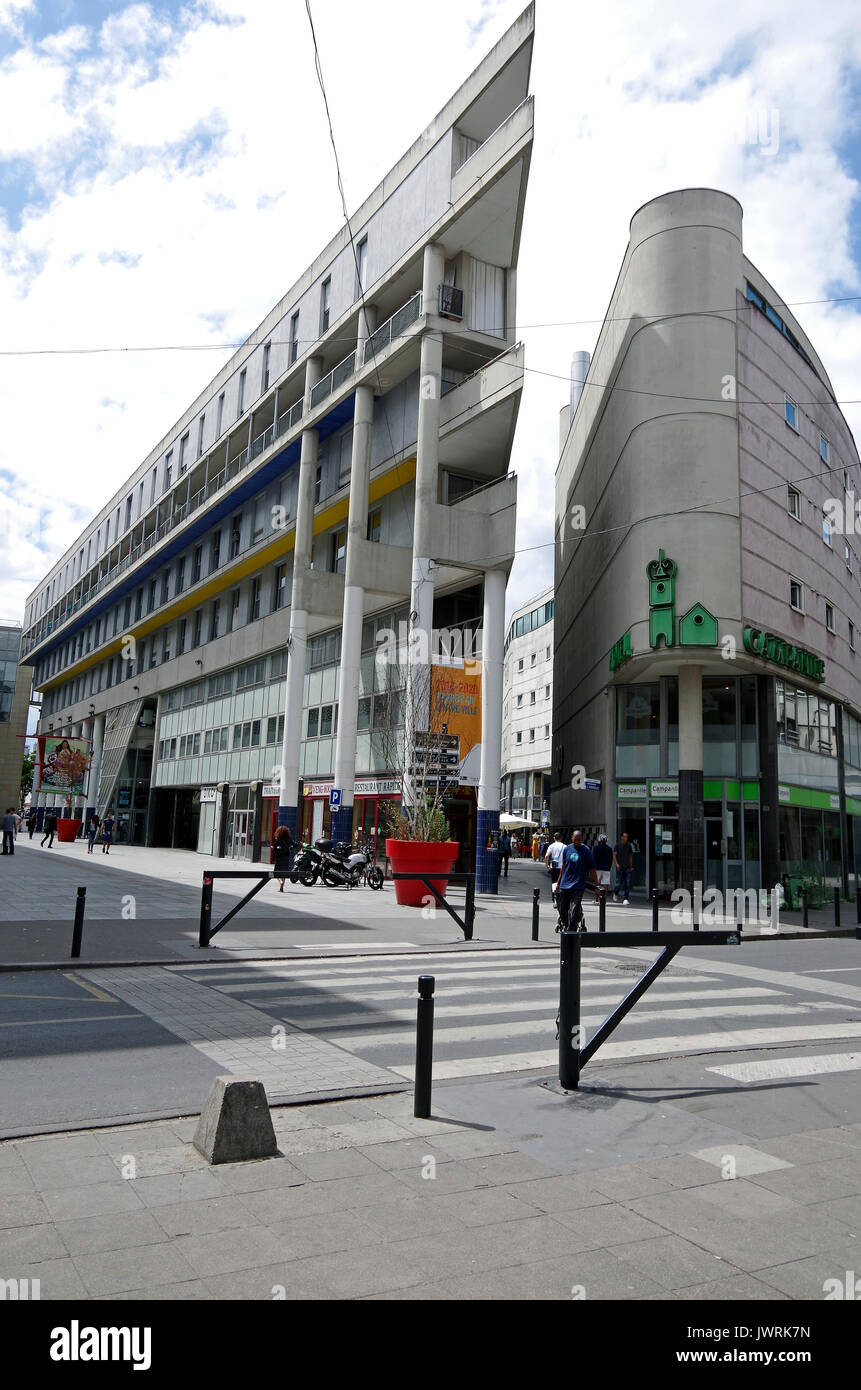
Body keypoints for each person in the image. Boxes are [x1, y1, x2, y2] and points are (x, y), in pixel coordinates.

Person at [556, 829, 599, 933]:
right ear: (572, 838)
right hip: (565, 883)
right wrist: (558, 882)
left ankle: (573, 929)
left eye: (579, 840)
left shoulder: (586, 851)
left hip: (578, 884)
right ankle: (566, 925)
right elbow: (563, 866)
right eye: (575, 840)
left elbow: (592, 869)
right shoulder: (567, 849)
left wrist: (596, 885)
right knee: (562, 907)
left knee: (575, 908)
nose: (577, 842)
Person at [544, 830, 565, 905]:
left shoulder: (551, 846)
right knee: (561, 883)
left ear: (554, 838)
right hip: (562, 868)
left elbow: (547, 856)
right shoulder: (565, 846)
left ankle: (555, 899)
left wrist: (547, 865)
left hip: (554, 867)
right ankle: (561, 899)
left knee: (554, 883)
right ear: (561, 838)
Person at [614, 830, 634, 904]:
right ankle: (616, 893)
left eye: (627, 837)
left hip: (627, 867)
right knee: (618, 883)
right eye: (625, 836)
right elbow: (614, 855)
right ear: (621, 837)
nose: (626, 838)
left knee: (627, 883)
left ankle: (626, 898)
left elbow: (630, 856)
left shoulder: (629, 846)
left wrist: (631, 866)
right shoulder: (617, 845)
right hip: (620, 867)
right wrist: (616, 864)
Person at [272, 823, 292, 891]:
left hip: (279, 857)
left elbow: (274, 848)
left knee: (276, 872)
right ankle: (282, 884)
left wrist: (276, 851)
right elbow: (294, 845)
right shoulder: (288, 839)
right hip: (286, 857)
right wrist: (290, 848)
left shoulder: (278, 839)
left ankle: (280, 882)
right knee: (284, 871)